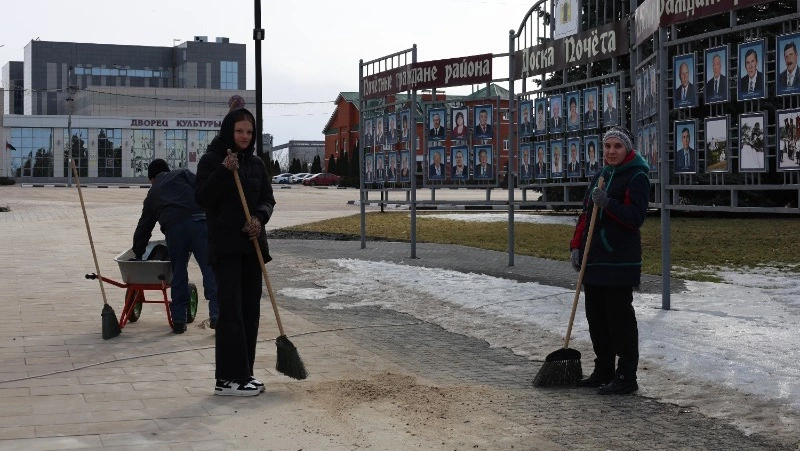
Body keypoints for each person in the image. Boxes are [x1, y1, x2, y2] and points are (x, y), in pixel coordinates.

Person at [195, 107, 275, 397]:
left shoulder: (255, 164)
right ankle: (226, 379)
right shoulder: (212, 160)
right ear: (229, 131)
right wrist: (223, 172)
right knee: (231, 313)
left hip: (252, 248)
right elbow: (202, 197)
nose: (244, 136)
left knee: (250, 311)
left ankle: (245, 373)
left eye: (249, 132)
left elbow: (268, 199)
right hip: (226, 249)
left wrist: (258, 219)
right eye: (239, 131)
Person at [570, 126, 649, 395]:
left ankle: (627, 376)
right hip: (594, 260)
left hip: (619, 261)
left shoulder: (636, 176)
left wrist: (608, 204)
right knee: (597, 319)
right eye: (607, 146)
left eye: (617, 146)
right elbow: (585, 215)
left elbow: (635, 217)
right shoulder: (600, 176)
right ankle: (603, 369)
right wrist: (576, 246)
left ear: (627, 149)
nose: (611, 151)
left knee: (620, 321)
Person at [132, 159, 218, 334]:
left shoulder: (153, 192)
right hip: (199, 222)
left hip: (174, 230)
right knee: (210, 269)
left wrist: (138, 253)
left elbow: (144, 227)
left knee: (178, 272)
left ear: (152, 179)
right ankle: (217, 316)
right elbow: (204, 189)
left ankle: (178, 321)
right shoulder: (182, 174)